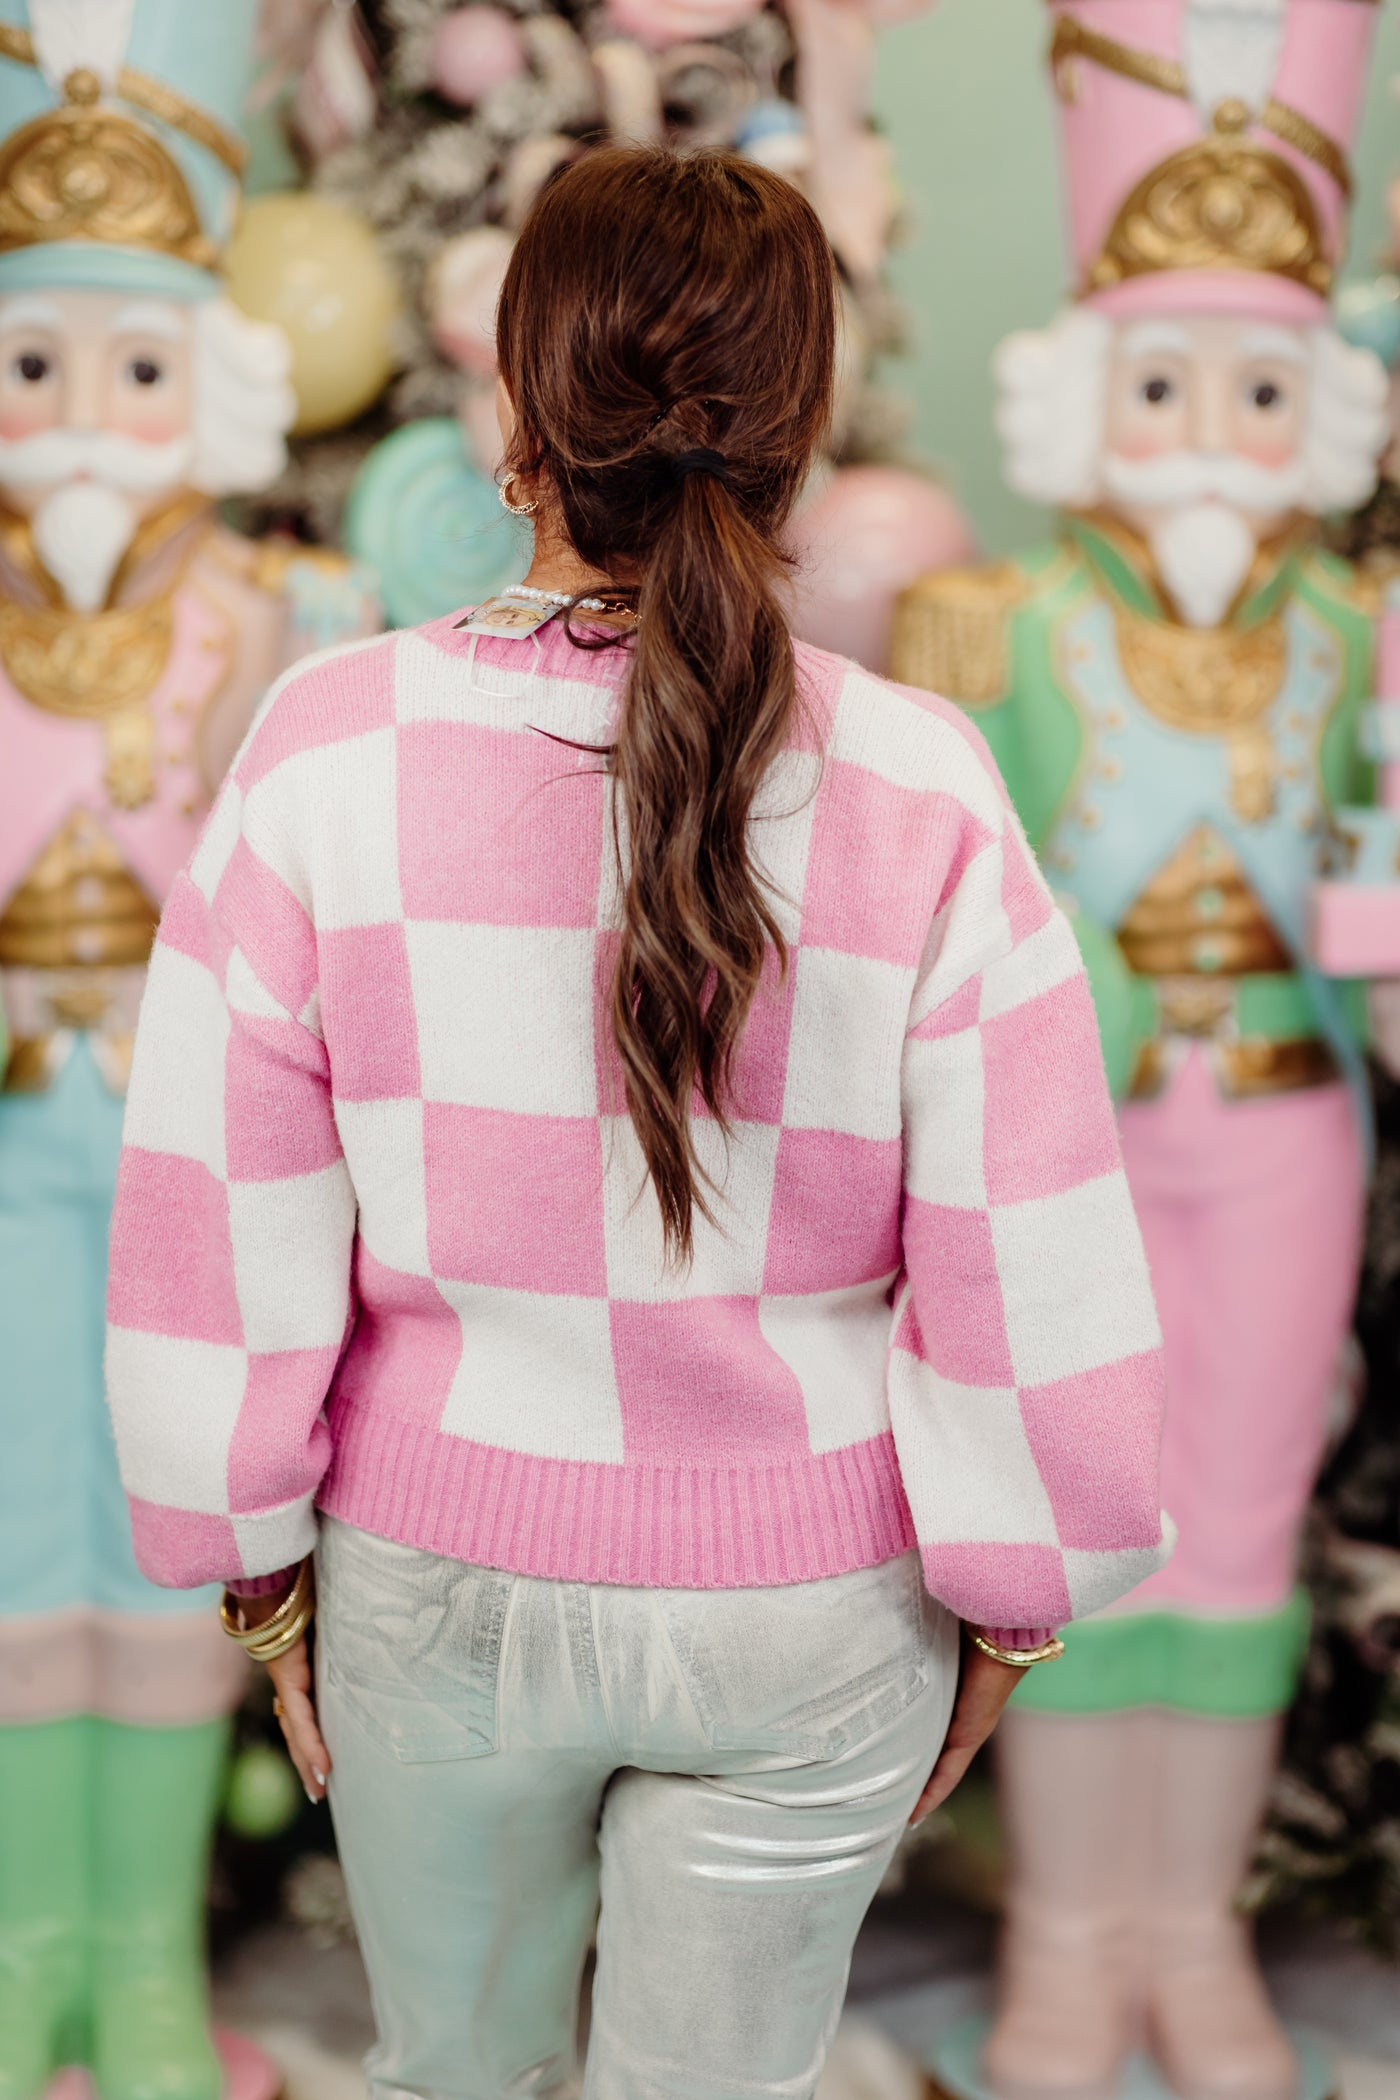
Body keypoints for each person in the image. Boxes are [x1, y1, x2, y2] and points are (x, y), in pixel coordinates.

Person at [105, 147, 1168, 2100]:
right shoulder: (923, 785)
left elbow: (213, 1197)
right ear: (804, 436)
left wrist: (252, 1567)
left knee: (454, 2073)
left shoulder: (329, 745)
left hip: (435, 1580)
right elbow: (1029, 1236)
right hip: (814, 1606)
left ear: (515, 410)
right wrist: (1021, 1597)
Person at [891, 3, 1393, 2094]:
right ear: (1092, 393)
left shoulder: (1360, 639)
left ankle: (1186, 1929)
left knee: (1241, 1518)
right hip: (1061, 1151)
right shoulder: (986, 628)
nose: (1204, 427)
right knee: (1076, 1519)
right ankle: (1064, 1932)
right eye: (1165, 382)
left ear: (1316, 405)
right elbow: (926, 900)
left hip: (1280, 1133)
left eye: (1249, 385)